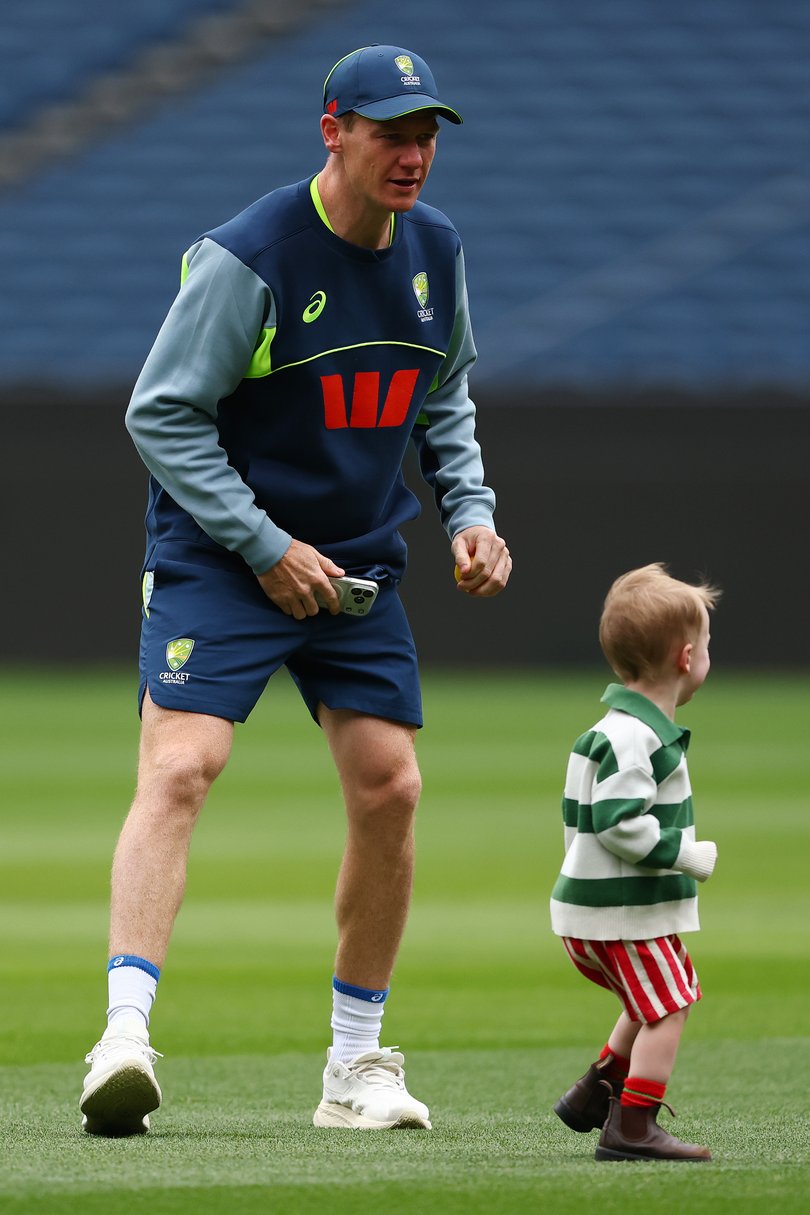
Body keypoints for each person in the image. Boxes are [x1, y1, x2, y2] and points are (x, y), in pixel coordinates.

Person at [79, 44, 511, 1137]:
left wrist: (471, 512)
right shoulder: (252, 255)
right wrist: (263, 544)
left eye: (426, 134)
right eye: (390, 131)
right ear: (334, 132)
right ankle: (123, 1037)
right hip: (227, 553)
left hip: (355, 557)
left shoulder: (436, 251)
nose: (413, 153)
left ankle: (354, 1069)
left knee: (391, 788)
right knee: (182, 765)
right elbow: (160, 414)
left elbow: (443, 392)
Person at [550, 563, 719, 1162]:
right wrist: (686, 855)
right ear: (686, 656)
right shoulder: (634, 738)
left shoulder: (613, 730)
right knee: (669, 1005)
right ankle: (633, 1125)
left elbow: (576, 819)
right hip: (621, 912)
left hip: (601, 908)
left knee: (655, 997)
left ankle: (592, 1096)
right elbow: (617, 823)